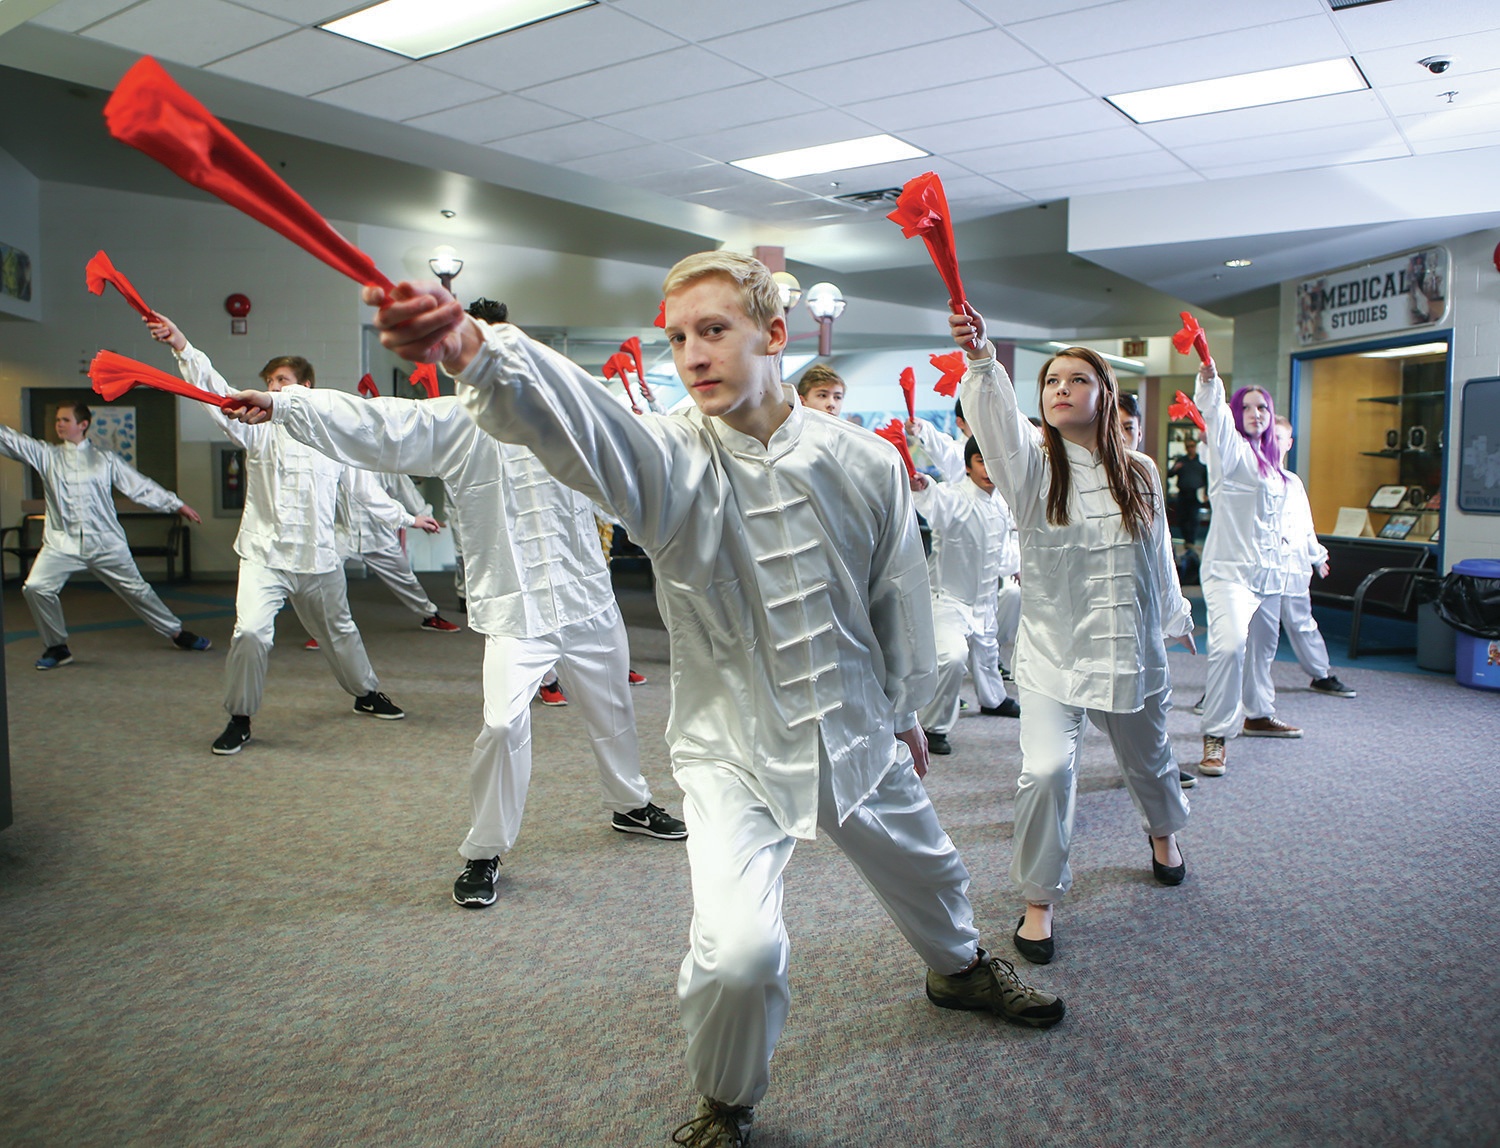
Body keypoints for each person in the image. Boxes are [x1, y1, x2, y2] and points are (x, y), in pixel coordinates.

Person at [362, 253, 1064, 1146]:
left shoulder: (863, 460)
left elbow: (896, 593)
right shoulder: (667, 461)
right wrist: (474, 348)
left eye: (714, 330)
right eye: (678, 337)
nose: (692, 354)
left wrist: (901, 713)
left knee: (933, 875)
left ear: (775, 336)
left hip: (854, 729)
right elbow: (577, 422)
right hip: (732, 750)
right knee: (738, 958)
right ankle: (728, 1100)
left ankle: (959, 970)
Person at [222, 316, 686, 910]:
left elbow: (649, 456)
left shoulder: (573, 416)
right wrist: (285, 405)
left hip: (587, 597)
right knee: (501, 724)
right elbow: (379, 423)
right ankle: (485, 850)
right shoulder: (458, 422)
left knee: (614, 709)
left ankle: (630, 803)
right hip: (517, 612)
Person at [955, 306, 1194, 966]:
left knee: (1147, 760)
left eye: (1076, 379)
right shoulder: (1031, 470)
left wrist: (1174, 618)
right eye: (1050, 380)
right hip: (1054, 654)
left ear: (1104, 393)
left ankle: (1165, 832)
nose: (1060, 388)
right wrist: (981, 360)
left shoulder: (1141, 471)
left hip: (1131, 649)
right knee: (1047, 769)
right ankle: (1039, 900)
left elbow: (1160, 556)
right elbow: (997, 429)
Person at [147, 314, 432, 755]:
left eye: (281, 380)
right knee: (250, 634)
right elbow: (213, 393)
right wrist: (182, 345)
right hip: (264, 556)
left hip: (318, 559)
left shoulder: (333, 439)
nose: (272, 387)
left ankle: (365, 694)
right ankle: (239, 717)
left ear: (305, 387)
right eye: (269, 380)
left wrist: (407, 518)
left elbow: (364, 490)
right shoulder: (258, 430)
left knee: (341, 631)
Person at [0, 402, 211, 669]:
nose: (59, 424)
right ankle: (57, 646)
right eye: (58, 420)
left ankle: (177, 633)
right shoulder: (46, 455)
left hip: (106, 543)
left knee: (138, 591)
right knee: (35, 587)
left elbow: (139, 486)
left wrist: (175, 504)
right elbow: (10, 439)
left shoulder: (104, 458)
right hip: (61, 544)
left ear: (83, 425)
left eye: (65, 420)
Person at [1195, 368, 1300, 779]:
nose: (1256, 414)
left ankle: (1258, 714)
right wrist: (1209, 379)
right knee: (1229, 647)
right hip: (1229, 573)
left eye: (1263, 408)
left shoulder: (1276, 469)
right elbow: (1215, 412)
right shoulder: (1230, 450)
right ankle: (1216, 733)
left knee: (1261, 650)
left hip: (1268, 575)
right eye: (1248, 407)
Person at [912, 436, 1021, 755]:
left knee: (987, 653)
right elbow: (935, 500)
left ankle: (993, 700)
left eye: (995, 463)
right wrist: (923, 487)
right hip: (949, 601)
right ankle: (933, 726)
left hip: (985, 598)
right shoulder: (955, 496)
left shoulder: (1001, 503)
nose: (989, 470)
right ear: (968, 465)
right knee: (954, 656)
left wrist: (1016, 564)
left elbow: (1003, 549)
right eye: (981, 461)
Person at [1118, 394, 1199, 791]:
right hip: (1078, 616)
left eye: (1129, 428)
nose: (1121, 437)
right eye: (1112, 427)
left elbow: (1161, 548)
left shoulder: (1143, 470)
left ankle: (1157, 765)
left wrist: (1176, 614)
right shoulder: (1066, 471)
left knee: (1152, 692)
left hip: (1139, 609)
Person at [1250, 417, 1355, 700]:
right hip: (1263, 569)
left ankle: (1320, 674)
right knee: (1254, 633)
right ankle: (1228, 688)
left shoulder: (1293, 482)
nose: (1276, 442)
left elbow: (1304, 525)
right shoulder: (1252, 478)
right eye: (1271, 436)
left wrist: (1317, 556)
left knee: (1302, 622)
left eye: (1282, 437)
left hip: (1294, 567)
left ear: (1289, 443)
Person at [335, 459, 459, 634]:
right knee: (327, 580)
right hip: (343, 534)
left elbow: (405, 490)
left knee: (406, 579)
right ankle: (325, 630)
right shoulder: (336, 461)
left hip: (379, 534)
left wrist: (424, 516)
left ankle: (430, 615)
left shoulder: (383, 463)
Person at [1167, 433, 1208, 549]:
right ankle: (1186, 539)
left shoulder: (1201, 461)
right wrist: (1175, 468)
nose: (1190, 448)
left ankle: (1191, 541)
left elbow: (1207, 478)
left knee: (1194, 518)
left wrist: (1206, 494)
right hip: (1183, 493)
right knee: (1182, 518)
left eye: (1192, 446)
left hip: (1196, 494)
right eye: (1188, 446)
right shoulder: (1181, 461)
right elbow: (1170, 474)